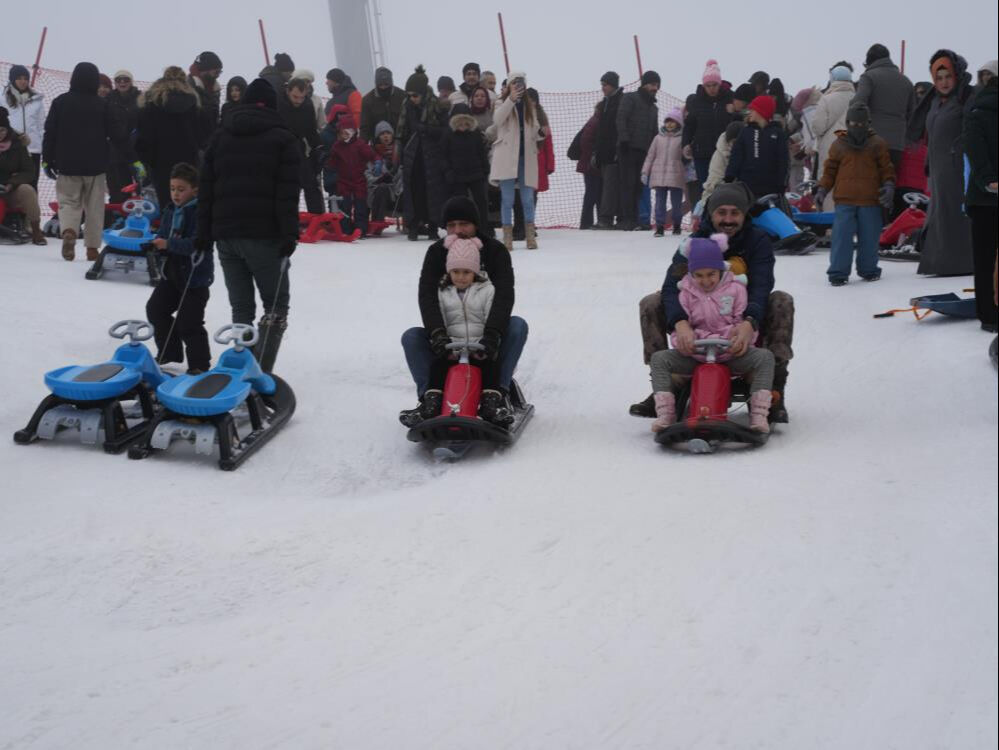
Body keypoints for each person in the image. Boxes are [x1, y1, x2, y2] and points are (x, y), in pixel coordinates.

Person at [633, 182, 794, 423]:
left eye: (734, 213)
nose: (728, 219)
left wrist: (749, 321)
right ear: (711, 213)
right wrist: (680, 322)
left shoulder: (757, 241)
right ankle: (667, 385)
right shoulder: (693, 244)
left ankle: (774, 387)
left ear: (744, 214)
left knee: (781, 300)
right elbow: (671, 286)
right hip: (698, 324)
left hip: (739, 320)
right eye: (721, 213)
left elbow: (761, 286)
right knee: (651, 302)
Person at [197, 78, 300, 373]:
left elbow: (206, 188)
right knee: (275, 306)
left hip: (226, 234)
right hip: (264, 235)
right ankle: (259, 373)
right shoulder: (283, 139)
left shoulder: (220, 136)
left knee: (241, 307)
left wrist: (203, 232)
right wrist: (289, 233)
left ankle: (241, 365)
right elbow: (287, 193)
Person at [399, 196, 528, 426]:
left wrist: (492, 335)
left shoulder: (494, 251)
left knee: (517, 325)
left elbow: (503, 296)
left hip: (484, 339)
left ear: (476, 224)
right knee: (411, 337)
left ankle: (497, 395)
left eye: (464, 224)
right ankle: (429, 400)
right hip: (450, 340)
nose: (458, 230)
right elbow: (428, 297)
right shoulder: (436, 253)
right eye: (451, 225)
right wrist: (438, 334)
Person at [649, 233, 775, 433]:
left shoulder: (736, 290)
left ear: (720, 270)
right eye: (698, 275)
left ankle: (759, 414)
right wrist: (683, 341)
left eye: (711, 274)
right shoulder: (686, 293)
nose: (705, 281)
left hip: (730, 354)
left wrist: (739, 338)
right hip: (696, 355)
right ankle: (666, 414)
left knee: (765, 357)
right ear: (691, 273)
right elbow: (681, 327)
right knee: (659, 359)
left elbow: (742, 323)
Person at [407, 234, 514, 427]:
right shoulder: (442, 292)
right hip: (452, 350)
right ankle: (431, 404)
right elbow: (438, 319)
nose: (461, 277)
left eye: (466, 272)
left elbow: (491, 318)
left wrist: (487, 342)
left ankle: (491, 406)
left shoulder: (487, 290)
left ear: (475, 272)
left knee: (491, 368)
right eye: (455, 272)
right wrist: (442, 342)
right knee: (438, 368)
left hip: (479, 349)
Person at [42, 61, 129, 261]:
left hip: (67, 164)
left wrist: (47, 160)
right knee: (95, 207)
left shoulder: (60, 102)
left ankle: (69, 231)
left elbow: (50, 133)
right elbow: (117, 135)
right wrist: (133, 158)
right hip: (96, 166)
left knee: (68, 203)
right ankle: (92, 248)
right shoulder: (103, 105)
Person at [907, 49, 974, 276]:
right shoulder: (935, 101)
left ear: (956, 75)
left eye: (948, 77)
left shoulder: (965, 98)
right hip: (937, 167)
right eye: (939, 78)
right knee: (939, 214)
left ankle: (961, 263)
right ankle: (939, 262)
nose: (944, 82)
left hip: (958, 167)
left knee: (955, 214)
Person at [813, 103, 895, 285]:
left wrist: (889, 184)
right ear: (847, 123)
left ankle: (869, 269)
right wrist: (822, 189)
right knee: (841, 239)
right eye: (853, 124)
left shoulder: (877, 144)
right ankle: (838, 273)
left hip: (870, 200)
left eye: (861, 124)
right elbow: (829, 171)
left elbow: (886, 169)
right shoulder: (839, 145)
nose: (857, 127)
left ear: (868, 123)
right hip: (845, 201)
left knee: (869, 239)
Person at [145, 162, 213, 374]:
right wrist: (156, 245)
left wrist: (168, 244)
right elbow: (163, 235)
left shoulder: (200, 213)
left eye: (181, 189)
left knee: (189, 322)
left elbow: (196, 243)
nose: (175, 194)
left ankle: (199, 365)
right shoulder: (170, 210)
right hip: (172, 273)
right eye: (172, 188)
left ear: (195, 190)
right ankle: (169, 351)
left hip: (194, 277)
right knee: (156, 309)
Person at [136, 66, 208, 209]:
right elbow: (202, 136)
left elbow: (143, 138)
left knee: (166, 206)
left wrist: (149, 161)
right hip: (188, 163)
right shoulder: (194, 102)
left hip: (160, 164)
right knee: (188, 206)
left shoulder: (151, 102)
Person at [489, 71, 544, 249]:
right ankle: (507, 239)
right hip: (507, 157)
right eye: (515, 83)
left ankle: (530, 237)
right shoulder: (501, 102)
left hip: (525, 157)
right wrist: (511, 100)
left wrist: (540, 133)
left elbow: (534, 127)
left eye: (521, 83)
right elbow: (498, 120)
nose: (518, 86)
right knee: (507, 199)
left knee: (527, 199)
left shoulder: (529, 105)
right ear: (509, 85)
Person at [962, 60, 998, 331]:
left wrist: (988, 180)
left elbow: (974, 149)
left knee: (984, 258)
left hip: (983, 196)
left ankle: (989, 314)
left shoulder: (975, 111)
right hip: (986, 193)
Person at [396, 65, 448, 241]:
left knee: (433, 193)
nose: (412, 99)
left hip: (432, 155)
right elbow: (401, 132)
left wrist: (426, 129)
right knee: (414, 192)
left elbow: (445, 130)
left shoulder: (437, 105)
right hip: (413, 156)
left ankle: (433, 226)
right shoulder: (406, 107)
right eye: (409, 95)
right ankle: (413, 225)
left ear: (423, 93)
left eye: (415, 95)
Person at [851, 44, 914, 172]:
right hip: (897, 145)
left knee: (868, 182)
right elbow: (913, 113)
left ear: (869, 62)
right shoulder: (906, 81)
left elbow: (857, 104)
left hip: (871, 142)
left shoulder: (868, 77)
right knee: (889, 181)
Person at [682, 60, 734, 206]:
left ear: (720, 84)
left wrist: (734, 112)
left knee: (723, 187)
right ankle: (704, 214)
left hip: (724, 152)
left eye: (714, 85)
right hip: (702, 152)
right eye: (708, 86)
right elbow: (689, 125)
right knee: (704, 187)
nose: (711, 89)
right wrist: (686, 144)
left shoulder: (730, 99)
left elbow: (743, 117)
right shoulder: (696, 101)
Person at [615, 70, 660, 231]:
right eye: (652, 84)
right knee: (627, 184)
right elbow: (621, 118)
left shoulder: (654, 108)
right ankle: (626, 218)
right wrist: (624, 139)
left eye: (657, 85)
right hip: (628, 148)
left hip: (644, 152)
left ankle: (637, 219)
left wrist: (654, 152)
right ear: (645, 84)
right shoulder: (630, 98)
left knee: (639, 186)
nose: (655, 88)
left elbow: (654, 132)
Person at [725, 95, 788, 201]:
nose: (750, 112)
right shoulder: (746, 132)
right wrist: (730, 175)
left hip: (771, 187)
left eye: (752, 110)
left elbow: (783, 160)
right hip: (746, 186)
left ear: (761, 112)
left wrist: (782, 184)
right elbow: (736, 155)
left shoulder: (778, 133)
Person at [811, 65, 855, 210]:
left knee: (829, 180)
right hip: (853, 145)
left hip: (830, 146)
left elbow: (818, 127)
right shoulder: (857, 99)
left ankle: (830, 218)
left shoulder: (826, 99)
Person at [0, 107, 47, 244]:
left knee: (28, 191)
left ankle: (35, 230)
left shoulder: (17, 145)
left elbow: (29, 171)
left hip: (10, 190)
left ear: (8, 130)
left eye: (2, 130)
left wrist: (12, 183)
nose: (0, 134)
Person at [441, 103, 490, 232]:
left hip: (476, 173)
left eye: (466, 123)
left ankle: (483, 228)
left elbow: (481, 152)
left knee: (481, 202)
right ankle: (461, 228)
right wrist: (448, 172)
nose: (463, 126)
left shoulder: (475, 133)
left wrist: (485, 169)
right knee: (460, 204)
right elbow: (443, 155)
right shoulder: (448, 134)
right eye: (460, 123)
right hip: (457, 176)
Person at [328, 112, 377, 235]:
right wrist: (327, 163)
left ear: (351, 132)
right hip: (343, 181)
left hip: (359, 180)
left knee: (360, 205)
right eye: (340, 133)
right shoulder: (337, 146)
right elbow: (332, 162)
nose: (342, 135)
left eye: (344, 133)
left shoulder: (360, 145)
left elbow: (371, 155)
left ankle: (361, 228)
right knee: (344, 205)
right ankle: (345, 228)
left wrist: (377, 161)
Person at [278, 77, 322, 214]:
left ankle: (317, 217)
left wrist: (319, 148)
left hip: (298, 147)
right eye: (295, 97)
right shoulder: (278, 103)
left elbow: (311, 131)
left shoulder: (307, 106)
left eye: (301, 98)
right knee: (287, 186)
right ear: (288, 91)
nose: (298, 101)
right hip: (279, 148)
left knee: (310, 182)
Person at [642, 108, 686, 236]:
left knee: (676, 202)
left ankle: (677, 224)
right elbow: (650, 156)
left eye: (673, 121)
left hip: (676, 175)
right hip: (659, 175)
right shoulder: (658, 138)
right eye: (667, 121)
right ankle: (660, 226)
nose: (669, 124)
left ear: (678, 123)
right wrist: (645, 172)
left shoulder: (682, 138)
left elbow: (686, 155)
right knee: (660, 201)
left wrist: (688, 153)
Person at [2, 65, 45, 190]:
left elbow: (41, 126)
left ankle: (31, 203)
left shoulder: (36, 100)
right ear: (12, 79)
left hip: (32, 150)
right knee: (10, 185)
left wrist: (43, 146)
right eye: (19, 78)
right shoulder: (2, 98)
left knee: (31, 186)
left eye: (26, 78)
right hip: (11, 149)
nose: (23, 81)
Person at [594, 71, 623, 229]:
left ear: (613, 85)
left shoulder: (620, 101)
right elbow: (602, 130)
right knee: (607, 185)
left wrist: (617, 150)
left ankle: (606, 219)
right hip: (604, 152)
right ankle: (608, 217)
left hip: (613, 152)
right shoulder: (606, 102)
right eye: (602, 85)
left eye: (605, 85)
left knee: (610, 187)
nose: (603, 88)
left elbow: (618, 129)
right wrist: (597, 152)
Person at [106, 70, 141, 203]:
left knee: (141, 185)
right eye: (118, 80)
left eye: (125, 79)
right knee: (120, 188)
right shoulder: (109, 99)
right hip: (116, 151)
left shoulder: (139, 98)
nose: (122, 82)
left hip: (137, 150)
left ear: (131, 82)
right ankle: (120, 212)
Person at [570, 102, 602, 229]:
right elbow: (586, 142)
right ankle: (587, 222)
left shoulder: (593, 120)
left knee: (593, 193)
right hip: (591, 165)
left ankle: (589, 222)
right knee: (593, 193)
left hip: (588, 164)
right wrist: (594, 157)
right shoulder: (597, 122)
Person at [366, 121, 403, 222]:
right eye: (382, 134)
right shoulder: (371, 153)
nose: (386, 136)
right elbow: (367, 175)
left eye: (388, 133)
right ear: (378, 137)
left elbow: (403, 171)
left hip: (397, 190)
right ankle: (377, 223)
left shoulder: (399, 151)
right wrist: (380, 179)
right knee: (382, 189)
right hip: (378, 190)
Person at [702, 120, 744, 205]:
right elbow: (714, 182)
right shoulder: (719, 156)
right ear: (728, 142)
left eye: (740, 141)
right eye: (734, 142)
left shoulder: (750, 152)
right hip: (720, 195)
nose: (737, 145)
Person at [360, 67, 405, 143]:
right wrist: (362, 146)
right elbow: (365, 128)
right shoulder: (367, 101)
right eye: (380, 85)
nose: (383, 88)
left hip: (401, 141)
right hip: (378, 145)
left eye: (386, 85)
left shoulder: (402, 96)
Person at [188, 51, 223, 133]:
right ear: (205, 70)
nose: (218, 75)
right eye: (216, 72)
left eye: (220, 72)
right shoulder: (188, 86)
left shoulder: (215, 89)